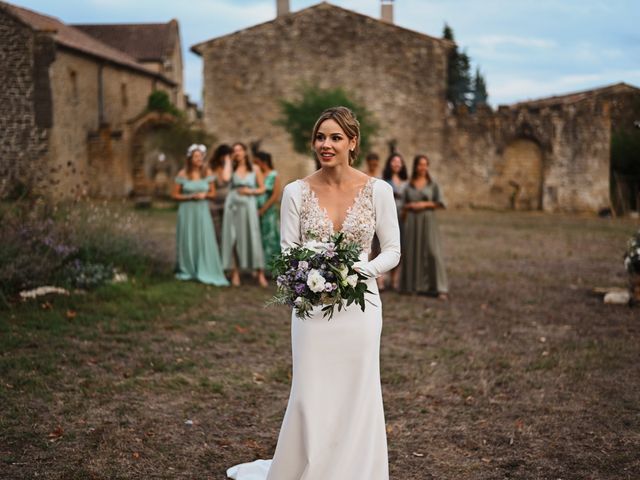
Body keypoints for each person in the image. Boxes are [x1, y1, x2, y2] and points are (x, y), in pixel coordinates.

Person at [226, 106, 400, 480]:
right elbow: (288, 250)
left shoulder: (378, 190)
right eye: (321, 137)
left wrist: (359, 272)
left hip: (361, 307)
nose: (326, 144)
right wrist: (316, 269)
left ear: (352, 142)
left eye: (335, 137)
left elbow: (392, 251)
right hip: (312, 307)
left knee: (358, 388)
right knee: (311, 389)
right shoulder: (295, 192)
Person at [171, 144, 229, 286]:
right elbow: (174, 194)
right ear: (190, 158)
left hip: (202, 210)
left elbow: (213, 193)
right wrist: (190, 197)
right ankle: (188, 268)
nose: (199, 159)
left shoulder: (207, 172)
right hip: (187, 210)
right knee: (188, 237)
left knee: (204, 237)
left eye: (201, 156)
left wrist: (204, 195)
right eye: (196, 156)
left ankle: (205, 267)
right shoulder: (182, 174)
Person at [400, 154, 449, 300]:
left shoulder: (433, 184)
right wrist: (409, 207)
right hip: (412, 222)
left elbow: (440, 203)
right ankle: (413, 286)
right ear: (415, 166)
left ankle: (440, 288)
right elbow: (403, 206)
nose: (423, 167)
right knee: (413, 252)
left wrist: (424, 204)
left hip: (428, 221)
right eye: (420, 164)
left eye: (425, 164)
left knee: (433, 252)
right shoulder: (408, 185)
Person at [221, 142, 268, 287]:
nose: (237, 152)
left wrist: (250, 192)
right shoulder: (231, 168)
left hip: (248, 205)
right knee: (233, 238)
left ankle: (260, 273)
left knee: (253, 237)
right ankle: (235, 272)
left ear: (245, 152)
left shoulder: (255, 169)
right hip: (232, 205)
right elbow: (225, 179)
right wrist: (228, 161)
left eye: (240, 150)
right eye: (234, 151)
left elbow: (262, 188)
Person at [382, 152, 409, 290]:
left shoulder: (406, 183)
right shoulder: (383, 181)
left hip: (402, 218)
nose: (396, 164)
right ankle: (380, 280)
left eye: (399, 161)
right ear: (389, 163)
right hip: (386, 217)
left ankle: (394, 279)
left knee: (399, 249)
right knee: (383, 247)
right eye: (394, 161)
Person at [253, 151, 282, 273]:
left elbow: (275, 195)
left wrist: (263, 209)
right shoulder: (257, 175)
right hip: (255, 212)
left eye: (256, 162)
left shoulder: (274, 175)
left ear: (262, 162)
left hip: (268, 212)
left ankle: (273, 268)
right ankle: (259, 268)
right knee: (258, 238)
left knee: (270, 238)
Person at [209, 144, 233, 245]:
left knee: (227, 231)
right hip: (213, 203)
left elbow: (226, 178)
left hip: (227, 203)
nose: (226, 158)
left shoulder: (230, 166)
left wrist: (227, 162)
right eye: (224, 156)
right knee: (216, 231)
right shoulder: (211, 166)